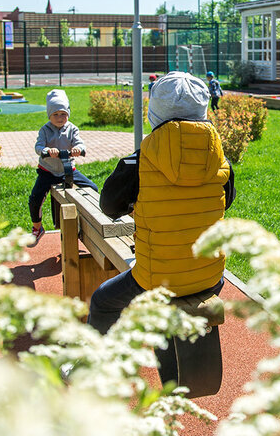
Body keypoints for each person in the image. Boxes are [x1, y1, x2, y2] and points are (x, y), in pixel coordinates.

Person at [89, 71, 235, 336]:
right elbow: (228, 200)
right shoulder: (220, 160)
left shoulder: (138, 161)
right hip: (211, 277)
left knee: (103, 301)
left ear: (154, 111)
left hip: (155, 278)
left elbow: (109, 206)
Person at [28, 89, 98, 246]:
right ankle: (37, 227)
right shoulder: (45, 130)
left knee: (92, 188)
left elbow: (79, 142)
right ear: (49, 115)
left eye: (63, 114)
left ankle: (86, 224)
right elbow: (38, 146)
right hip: (48, 172)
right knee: (35, 198)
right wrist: (46, 151)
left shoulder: (72, 128)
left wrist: (78, 149)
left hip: (68, 170)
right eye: (56, 114)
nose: (60, 118)